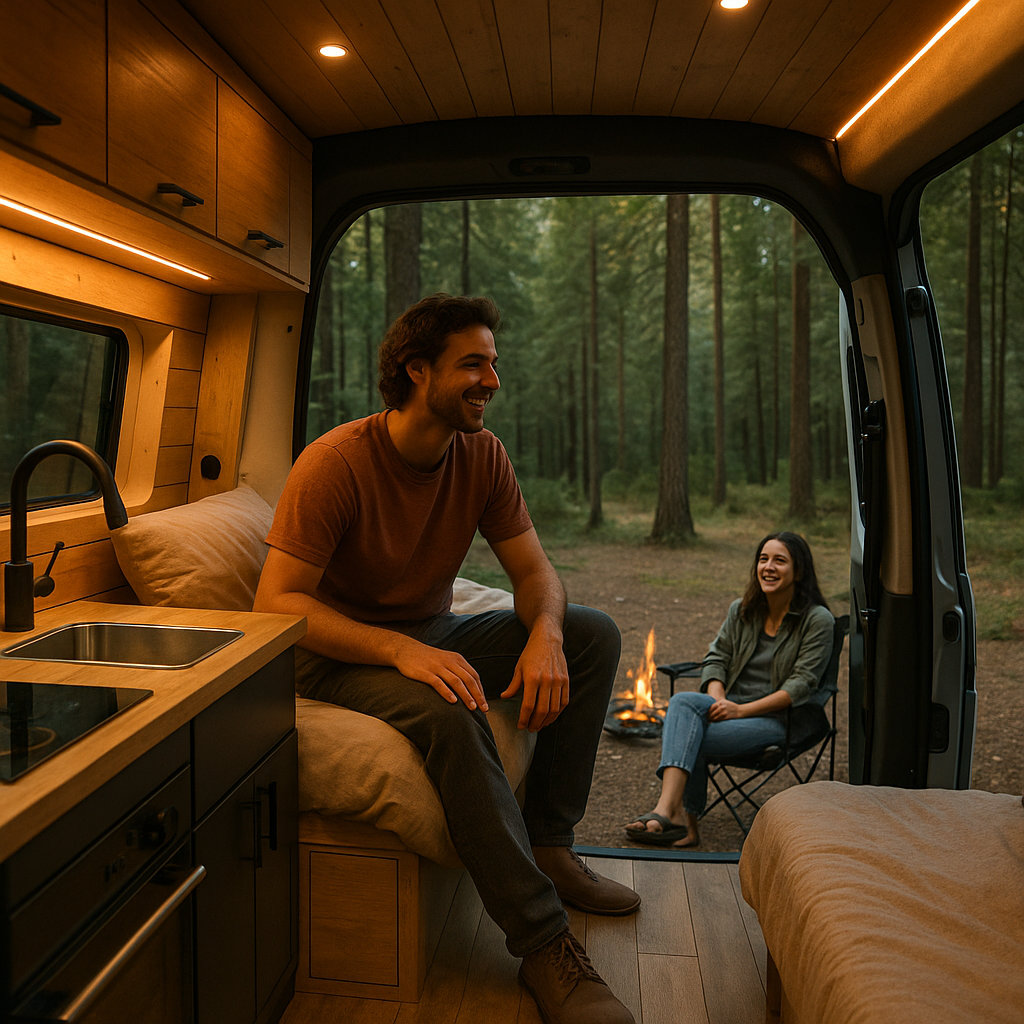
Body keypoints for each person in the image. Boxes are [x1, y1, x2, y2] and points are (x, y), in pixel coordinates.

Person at [254, 293, 638, 1024]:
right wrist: (399, 650)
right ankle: (543, 944)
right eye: (473, 364)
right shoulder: (335, 463)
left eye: (493, 364)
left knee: (593, 632)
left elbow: (534, 574)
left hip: (426, 631)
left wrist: (546, 636)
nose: (492, 380)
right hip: (333, 656)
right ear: (416, 370)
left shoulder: (481, 455)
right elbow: (278, 606)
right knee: (453, 705)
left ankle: (551, 846)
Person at [625, 531, 834, 849]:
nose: (768, 567)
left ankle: (680, 819)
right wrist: (719, 698)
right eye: (763, 559)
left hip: (777, 720)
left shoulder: (817, 620)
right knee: (682, 702)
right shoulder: (743, 610)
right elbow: (716, 658)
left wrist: (740, 710)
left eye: (780, 560)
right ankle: (670, 812)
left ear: (799, 571)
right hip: (729, 707)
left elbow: (800, 685)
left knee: (688, 734)